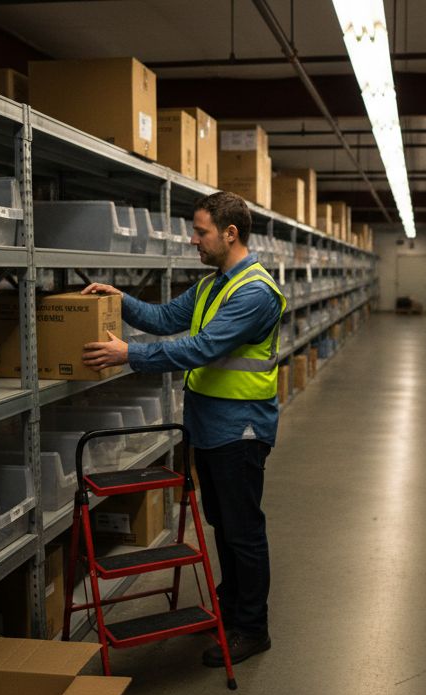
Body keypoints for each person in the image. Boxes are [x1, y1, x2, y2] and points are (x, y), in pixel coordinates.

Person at [80, 191, 284, 667]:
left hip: (241, 431)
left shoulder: (254, 292)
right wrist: (122, 299)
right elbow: (167, 317)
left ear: (230, 233)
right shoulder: (215, 285)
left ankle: (252, 629)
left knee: (244, 531)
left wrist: (128, 355)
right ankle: (231, 607)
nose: (192, 239)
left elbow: (200, 348)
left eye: (200, 231)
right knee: (223, 525)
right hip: (211, 428)